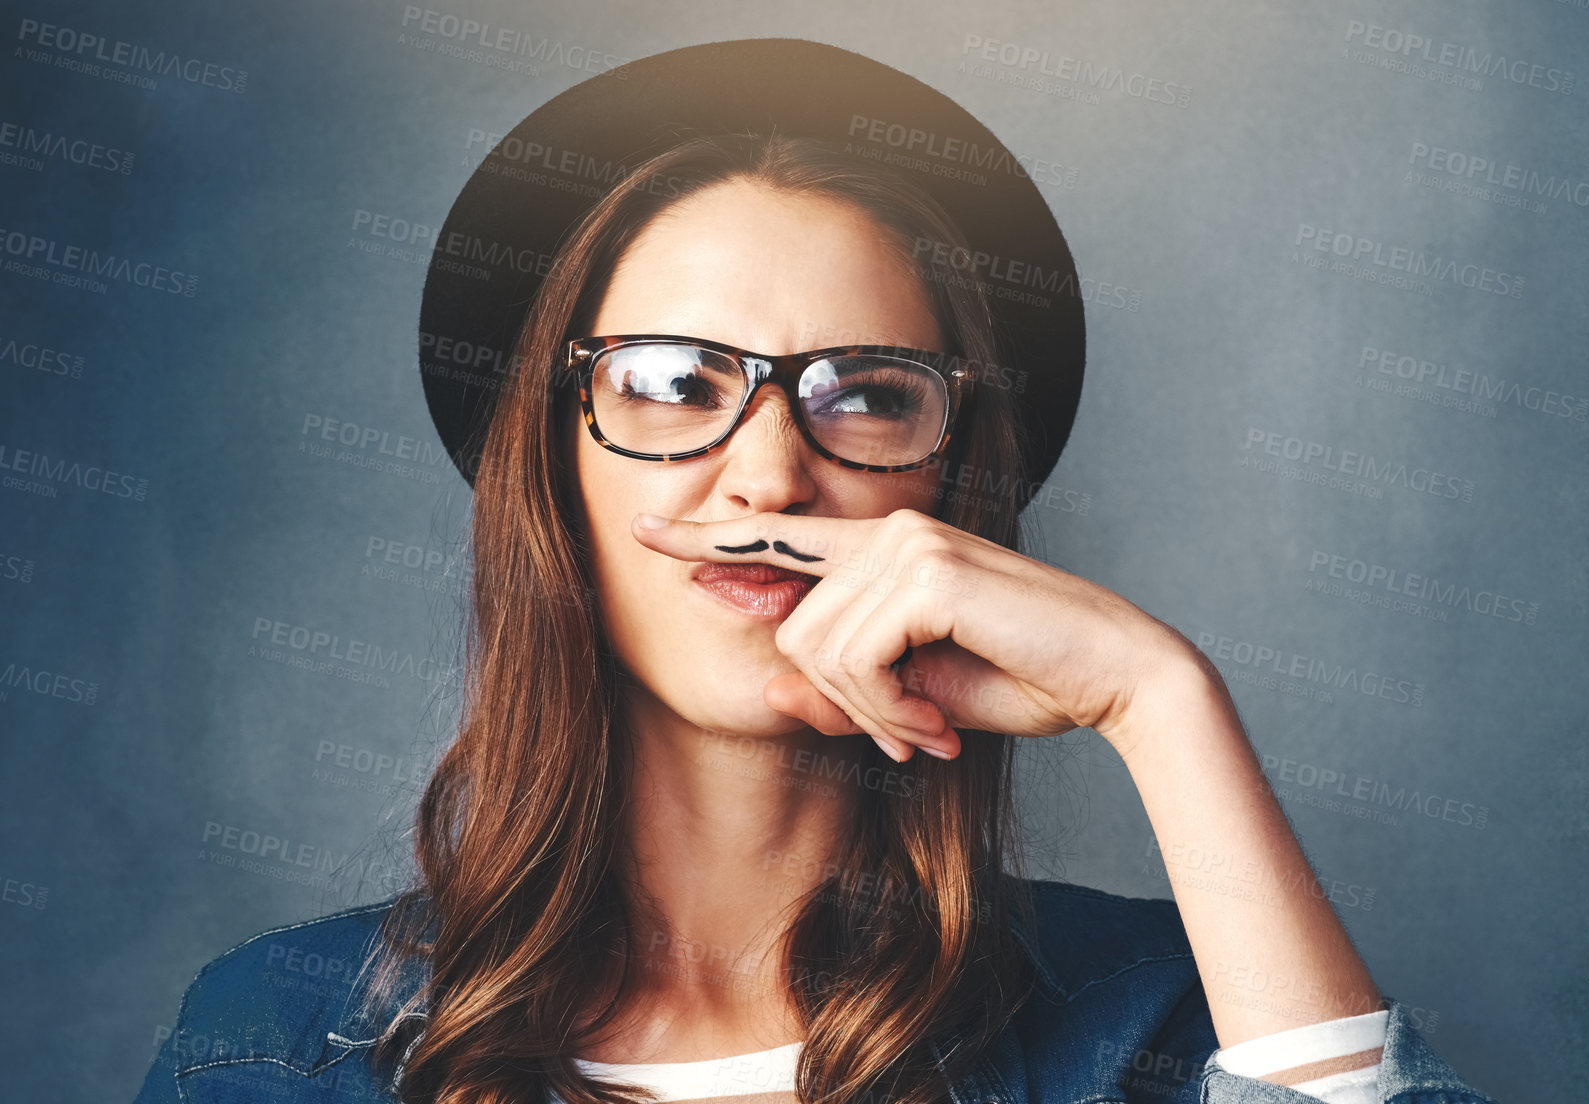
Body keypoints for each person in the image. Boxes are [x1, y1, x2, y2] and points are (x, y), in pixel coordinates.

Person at [131, 39, 1501, 1104]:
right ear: (550, 467)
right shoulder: (274, 1040)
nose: (771, 474)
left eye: (865, 394)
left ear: (946, 488)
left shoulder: (1156, 1016)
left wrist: (1162, 701)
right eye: (674, 383)